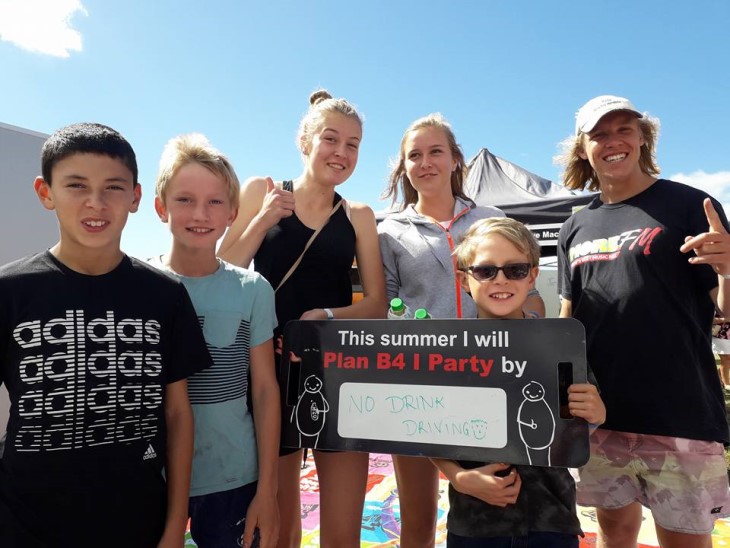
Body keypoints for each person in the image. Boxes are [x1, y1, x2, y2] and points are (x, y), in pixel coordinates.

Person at [0, 123, 212, 547]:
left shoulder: (165, 295)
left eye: (113, 187)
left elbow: (178, 414)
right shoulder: (10, 290)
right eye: (76, 185)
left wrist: (175, 526)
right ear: (45, 192)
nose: (95, 203)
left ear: (134, 197)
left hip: (138, 520)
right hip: (24, 522)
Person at [557, 95, 730, 548]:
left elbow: (726, 309)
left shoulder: (691, 205)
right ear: (583, 148)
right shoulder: (574, 226)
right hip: (601, 419)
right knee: (614, 535)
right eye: (599, 134)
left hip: (680, 415)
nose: (613, 141)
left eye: (624, 129)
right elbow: (566, 320)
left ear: (642, 137)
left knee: (684, 541)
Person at [218, 90, 386, 547]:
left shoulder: (359, 215)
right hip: (267, 368)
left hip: (337, 368)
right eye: (331, 139)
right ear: (305, 141)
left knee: (342, 531)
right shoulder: (262, 191)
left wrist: (327, 315)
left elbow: (376, 302)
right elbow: (224, 270)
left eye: (353, 144)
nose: (342, 152)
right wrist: (264, 218)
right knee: (279, 526)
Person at [377, 113, 545, 547]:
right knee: (416, 516)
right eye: (414, 155)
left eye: (436, 151)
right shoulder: (390, 229)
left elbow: (529, 294)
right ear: (404, 166)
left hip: (496, 379)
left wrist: (537, 341)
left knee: (497, 500)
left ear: (455, 159)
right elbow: (386, 308)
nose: (425, 162)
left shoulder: (491, 216)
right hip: (421, 379)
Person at [431, 217, 604, 547]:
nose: (501, 280)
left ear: (533, 276)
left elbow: (577, 430)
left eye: (515, 270)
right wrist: (459, 477)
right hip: (474, 520)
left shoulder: (560, 345)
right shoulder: (448, 349)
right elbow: (425, 427)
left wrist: (595, 416)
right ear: (464, 279)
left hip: (551, 518)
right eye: (485, 270)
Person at [150, 134, 280, 548]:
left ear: (233, 213)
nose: (200, 213)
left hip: (235, 479)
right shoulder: (138, 286)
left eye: (215, 202)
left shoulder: (253, 289)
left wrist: (268, 491)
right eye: (184, 199)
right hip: (151, 479)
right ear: (160, 207)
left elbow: (263, 390)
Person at [712, 311, 730, 389]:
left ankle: (718, 376)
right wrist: (725, 319)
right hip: (722, 334)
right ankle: (727, 384)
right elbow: (711, 318)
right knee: (726, 359)